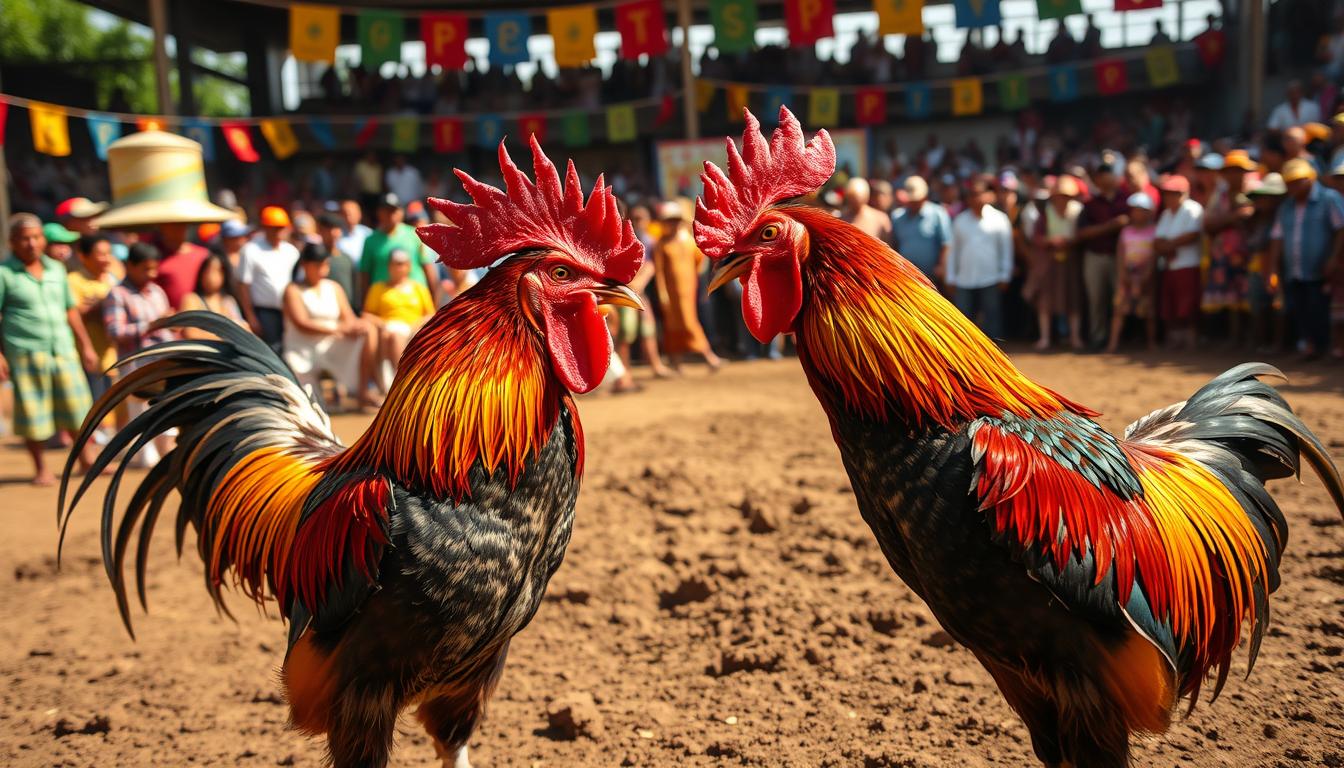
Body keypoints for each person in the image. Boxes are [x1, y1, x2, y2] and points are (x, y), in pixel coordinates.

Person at [0, 214, 101, 485]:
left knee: (77, 408)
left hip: (63, 349)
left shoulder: (57, 270)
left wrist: (86, 346)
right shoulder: (4, 274)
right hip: (26, 351)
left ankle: (86, 460)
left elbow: (71, 310)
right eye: (24, 238)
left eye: (35, 237)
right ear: (12, 242)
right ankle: (41, 468)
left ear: (42, 239)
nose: (31, 243)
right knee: (34, 413)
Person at [103, 242, 176, 467]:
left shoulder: (156, 292)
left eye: (154, 268)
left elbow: (163, 324)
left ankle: (163, 455)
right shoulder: (117, 294)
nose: (152, 274)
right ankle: (144, 456)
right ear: (130, 266)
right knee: (140, 412)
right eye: (146, 269)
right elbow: (115, 331)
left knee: (165, 408)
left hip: (162, 361)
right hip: (136, 364)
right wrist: (150, 325)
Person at [283, 244, 378, 410]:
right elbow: (301, 323)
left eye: (325, 265)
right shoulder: (292, 290)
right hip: (302, 350)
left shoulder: (334, 287)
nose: (323, 270)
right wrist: (337, 330)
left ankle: (363, 391)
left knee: (368, 331)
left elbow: (348, 318)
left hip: (333, 345)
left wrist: (357, 326)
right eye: (318, 265)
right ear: (305, 265)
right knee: (309, 406)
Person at [1267, 158, 1344, 358]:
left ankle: (1325, 348)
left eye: (1297, 181)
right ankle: (1309, 347)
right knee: (1300, 309)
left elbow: (1341, 229)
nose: (1293, 186)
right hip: (1295, 269)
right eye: (1290, 182)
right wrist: (1273, 269)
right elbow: (1277, 238)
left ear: (1310, 179)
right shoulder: (1286, 207)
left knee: (1321, 309)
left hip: (1322, 270)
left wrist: (1334, 259)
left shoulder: (1329, 199)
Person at [653, 200, 723, 371]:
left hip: (688, 291)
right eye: (670, 221)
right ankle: (678, 361)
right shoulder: (661, 244)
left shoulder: (690, 242)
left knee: (689, 322)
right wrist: (662, 292)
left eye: (676, 220)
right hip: (671, 293)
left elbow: (700, 263)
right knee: (672, 325)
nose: (674, 224)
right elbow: (659, 271)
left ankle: (708, 357)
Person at [947, 176, 1014, 340]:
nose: (975, 198)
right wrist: (951, 276)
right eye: (971, 194)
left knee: (992, 318)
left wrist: (1005, 274)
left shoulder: (1000, 219)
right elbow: (953, 251)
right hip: (964, 278)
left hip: (990, 278)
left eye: (979, 193)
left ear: (988, 195)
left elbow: (1006, 250)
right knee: (963, 320)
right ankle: (964, 355)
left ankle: (995, 356)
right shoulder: (960, 220)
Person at [1201, 151, 1257, 347]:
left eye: (1238, 171)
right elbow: (1207, 225)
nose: (1235, 175)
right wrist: (1233, 217)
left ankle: (1253, 338)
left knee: (1250, 295)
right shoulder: (1220, 195)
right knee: (1230, 298)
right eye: (1231, 171)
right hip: (1223, 254)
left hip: (1250, 253)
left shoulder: (1255, 192)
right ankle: (1234, 337)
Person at [613, 204, 673, 383]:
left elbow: (651, 265)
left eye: (642, 218)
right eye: (636, 218)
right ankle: (625, 372)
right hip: (623, 291)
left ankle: (655, 365)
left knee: (648, 328)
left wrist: (639, 283)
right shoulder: (622, 239)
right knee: (625, 331)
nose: (639, 222)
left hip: (639, 291)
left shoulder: (650, 241)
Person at [1075, 157, 1131, 348]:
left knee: (1119, 299)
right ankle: (1098, 338)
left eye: (1109, 174)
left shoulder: (1126, 200)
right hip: (1095, 256)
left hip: (1120, 257)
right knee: (1096, 299)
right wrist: (1111, 226)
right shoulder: (1090, 204)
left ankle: (1119, 338)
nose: (1106, 179)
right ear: (1097, 179)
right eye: (1102, 175)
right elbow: (1082, 232)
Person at [1024, 175, 1084, 350]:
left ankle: (1075, 337)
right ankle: (1045, 338)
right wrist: (1051, 241)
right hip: (1050, 261)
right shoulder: (1045, 214)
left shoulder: (1078, 212)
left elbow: (1083, 233)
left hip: (1071, 260)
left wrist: (1070, 242)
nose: (1062, 199)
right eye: (1059, 196)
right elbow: (1037, 237)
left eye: (1065, 196)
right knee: (1045, 300)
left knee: (1073, 298)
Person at [362, 248, 435, 381]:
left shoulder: (419, 288)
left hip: (413, 327)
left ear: (408, 266)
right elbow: (367, 314)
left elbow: (430, 314)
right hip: (388, 326)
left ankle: (401, 379)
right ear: (389, 266)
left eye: (402, 264)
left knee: (395, 336)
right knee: (392, 336)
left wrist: (416, 325)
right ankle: (402, 379)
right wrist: (382, 324)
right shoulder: (378, 288)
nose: (399, 268)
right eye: (396, 264)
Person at [1153, 174, 1205, 350]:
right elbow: (1157, 240)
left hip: (1189, 264)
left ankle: (1191, 338)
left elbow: (1193, 234)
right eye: (1166, 193)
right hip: (1170, 265)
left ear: (1184, 193)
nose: (1169, 197)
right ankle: (1175, 339)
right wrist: (1168, 246)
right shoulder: (1166, 214)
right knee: (1171, 304)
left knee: (1188, 304)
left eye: (1173, 193)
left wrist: (1168, 245)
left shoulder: (1192, 209)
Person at [359, 194, 438, 307]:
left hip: (415, 301)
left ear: (401, 212)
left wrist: (434, 304)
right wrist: (365, 304)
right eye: (386, 210)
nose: (391, 214)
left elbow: (428, 268)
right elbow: (365, 274)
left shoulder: (415, 235)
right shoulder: (370, 240)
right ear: (379, 213)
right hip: (384, 302)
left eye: (394, 210)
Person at [67, 234, 119, 399]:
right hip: (88, 358)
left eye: (108, 253)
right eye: (101, 254)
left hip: (113, 358)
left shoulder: (112, 280)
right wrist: (99, 306)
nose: (107, 259)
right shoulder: (73, 280)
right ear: (83, 256)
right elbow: (73, 314)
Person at [1107, 193, 1160, 353]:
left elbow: (1154, 255)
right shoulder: (1125, 231)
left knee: (1149, 311)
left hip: (1147, 277)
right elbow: (1120, 255)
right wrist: (1123, 275)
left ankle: (1152, 343)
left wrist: (1146, 275)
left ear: (1149, 212)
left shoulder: (1154, 231)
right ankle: (1113, 344)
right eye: (1135, 210)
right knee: (1119, 310)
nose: (1137, 213)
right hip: (1127, 277)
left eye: (1141, 210)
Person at [1246, 174, 1288, 353]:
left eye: (1266, 198)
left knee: (1277, 307)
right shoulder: (1256, 220)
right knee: (1259, 308)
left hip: (1276, 268)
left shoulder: (1282, 219)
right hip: (1257, 268)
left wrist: (1273, 269)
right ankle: (1262, 344)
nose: (1262, 202)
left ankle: (1278, 344)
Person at [889, 175, 952, 284]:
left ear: (925, 197)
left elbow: (946, 244)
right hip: (906, 277)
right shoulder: (897, 217)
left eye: (917, 200)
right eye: (912, 200)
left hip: (932, 278)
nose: (914, 203)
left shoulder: (938, 214)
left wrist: (941, 267)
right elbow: (894, 244)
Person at [180, 252, 247, 339]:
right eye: (208, 271)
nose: (211, 277)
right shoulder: (192, 299)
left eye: (217, 271)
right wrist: (227, 337)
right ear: (201, 274)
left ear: (224, 275)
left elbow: (244, 330)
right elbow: (190, 333)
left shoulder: (228, 301)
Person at [152, 222, 210, 310]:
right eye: (172, 225)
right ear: (162, 227)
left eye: (181, 225)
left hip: (203, 317)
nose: (177, 229)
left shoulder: (204, 255)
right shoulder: (153, 258)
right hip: (172, 320)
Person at [315, 212, 359, 313]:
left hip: (346, 312)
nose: (332, 233)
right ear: (320, 230)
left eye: (336, 229)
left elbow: (355, 290)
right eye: (328, 229)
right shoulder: (312, 258)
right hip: (321, 312)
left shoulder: (347, 259)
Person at [336, 198, 371, 268]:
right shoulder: (336, 234)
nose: (348, 217)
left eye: (351, 214)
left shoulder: (367, 233)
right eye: (345, 214)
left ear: (359, 215)